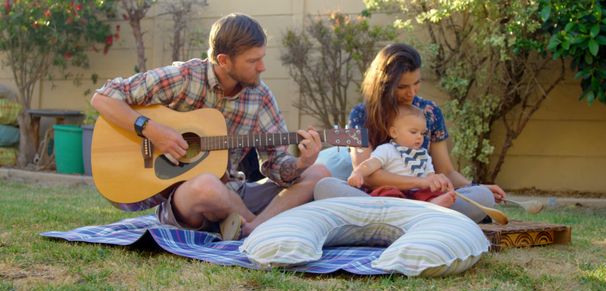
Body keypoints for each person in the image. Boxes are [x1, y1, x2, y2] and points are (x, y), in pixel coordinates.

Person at [91, 13, 330, 239]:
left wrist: (300, 164)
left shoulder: (261, 96)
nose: (262, 67)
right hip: (189, 198)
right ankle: (259, 231)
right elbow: (103, 97)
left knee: (319, 174)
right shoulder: (184, 77)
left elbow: (275, 165)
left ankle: (249, 228)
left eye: (262, 58)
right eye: (253, 61)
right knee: (207, 185)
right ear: (224, 61)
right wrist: (153, 131)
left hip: (237, 192)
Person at [314, 43, 505, 222]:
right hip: (380, 196)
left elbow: (445, 171)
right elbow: (369, 176)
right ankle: (422, 216)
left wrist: (474, 187)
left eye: (416, 83)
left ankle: (393, 221)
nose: (411, 93)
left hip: (420, 197)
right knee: (325, 187)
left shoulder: (429, 111)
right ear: (383, 85)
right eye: (402, 87)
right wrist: (421, 182)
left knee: (483, 196)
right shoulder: (361, 115)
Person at [347, 104, 456, 207]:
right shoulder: (387, 149)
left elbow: (430, 176)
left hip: (417, 192)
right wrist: (358, 172)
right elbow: (370, 164)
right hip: (396, 190)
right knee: (386, 192)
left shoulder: (424, 155)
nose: (419, 137)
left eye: (422, 133)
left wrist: (437, 183)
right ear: (394, 132)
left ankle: (432, 203)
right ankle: (406, 208)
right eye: (413, 132)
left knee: (430, 192)